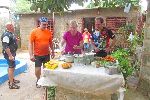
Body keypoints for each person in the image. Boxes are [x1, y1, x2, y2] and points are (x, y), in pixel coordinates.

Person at [29, 17, 54, 88]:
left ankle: (45, 81)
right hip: (37, 55)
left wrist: (53, 52)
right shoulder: (34, 32)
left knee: (46, 69)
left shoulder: (48, 32)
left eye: (46, 25)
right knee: (37, 70)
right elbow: (30, 44)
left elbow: (51, 43)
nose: (45, 26)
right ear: (39, 24)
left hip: (47, 54)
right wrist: (31, 55)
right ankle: (38, 79)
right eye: (43, 24)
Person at [1, 23, 20, 89]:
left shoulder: (11, 34)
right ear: (9, 27)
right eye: (12, 25)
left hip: (12, 53)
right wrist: (10, 56)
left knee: (12, 66)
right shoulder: (6, 35)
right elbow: (5, 46)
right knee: (11, 67)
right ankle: (11, 84)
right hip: (9, 54)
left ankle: (12, 79)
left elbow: (11, 42)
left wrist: (16, 41)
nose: (14, 26)